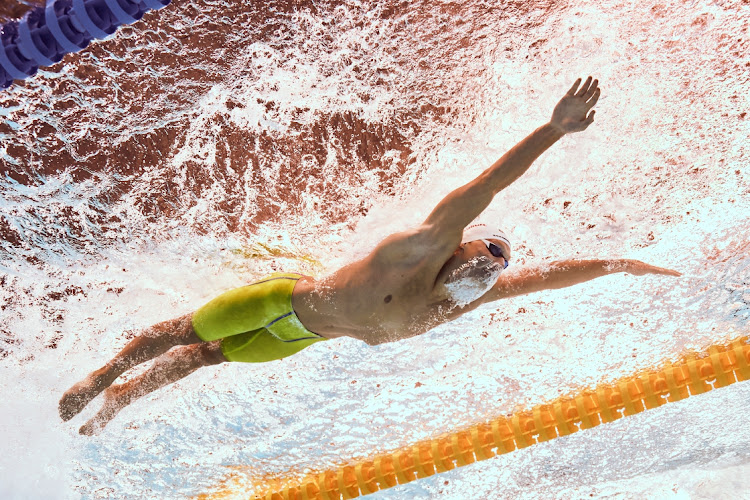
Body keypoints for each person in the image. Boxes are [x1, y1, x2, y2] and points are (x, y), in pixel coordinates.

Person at [59, 76, 680, 435]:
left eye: (500, 259)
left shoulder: (470, 296)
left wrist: (621, 264)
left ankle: (119, 401)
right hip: (284, 298)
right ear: (462, 240)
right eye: (488, 247)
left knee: (202, 359)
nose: (493, 262)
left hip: (302, 337)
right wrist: (553, 130)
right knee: (181, 332)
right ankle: (102, 377)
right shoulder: (423, 247)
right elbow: (489, 184)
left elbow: (556, 276)